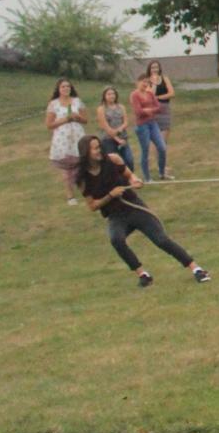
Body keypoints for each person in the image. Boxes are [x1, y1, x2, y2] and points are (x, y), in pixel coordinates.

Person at [77, 134, 210, 287]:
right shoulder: (82, 178)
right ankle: (143, 275)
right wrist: (110, 195)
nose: (100, 150)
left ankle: (197, 269)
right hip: (116, 215)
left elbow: (129, 175)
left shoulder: (113, 160)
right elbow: (92, 206)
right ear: (86, 152)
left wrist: (135, 180)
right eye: (95, 148)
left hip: (134, 207)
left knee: (161, 240)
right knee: (116, 239)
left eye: (99, 146)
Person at [44, 79, 87, 205]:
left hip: (77, 136)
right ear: (58, 89)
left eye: (68, 86)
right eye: (63, 86)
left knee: (81, 165)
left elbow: (85, 120)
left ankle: (85, 190)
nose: (66, 88)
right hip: (62, 139)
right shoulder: (53, 104)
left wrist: (77, 117)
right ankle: (70, 195)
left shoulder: (77, 101)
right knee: (67, 167)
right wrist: (64, 120)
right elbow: (49, 124)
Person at [129, 73, 171, 180]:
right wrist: (148, 111)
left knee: (162, 147)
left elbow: (158, 108)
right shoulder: (134, 95)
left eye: (147, 82)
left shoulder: (150, 93)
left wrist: (148, 110)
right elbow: (138, 112)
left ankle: (162, 173)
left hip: (152, 123)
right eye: (143, 81)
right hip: (142, 126)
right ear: (137, 82)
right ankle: (147, 178)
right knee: (145, 150)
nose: (145, 84)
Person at [96, 85, 134, 174]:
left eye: (113, 94)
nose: (111, 96)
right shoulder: (101, 109)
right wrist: (117, 139)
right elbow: (105, 127)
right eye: (109, 94)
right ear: (104, 96)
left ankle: (130, 178)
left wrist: (120, 129)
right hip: (108, 139)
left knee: (129, 160)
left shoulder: (121, 107)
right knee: (113, 162)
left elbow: (126, 121)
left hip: (123, 137)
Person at [145, 60, 175, 144]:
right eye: (153, 68)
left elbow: (172, 93)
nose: (155, 69)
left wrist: (158, 97)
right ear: (149, 69)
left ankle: (162, 152)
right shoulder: (147, 81)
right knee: (155, 140)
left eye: (156, 67)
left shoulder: (165, 78)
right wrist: (154, 83)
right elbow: (150, 96)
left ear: (159, 68)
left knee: (163, 140)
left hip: (165, 109)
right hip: (153, 111)